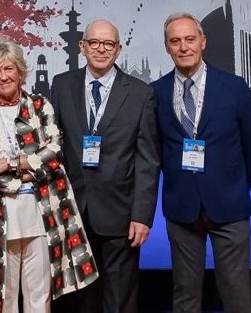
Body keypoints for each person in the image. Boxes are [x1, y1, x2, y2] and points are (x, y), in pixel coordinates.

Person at [0, 36, 98, 313]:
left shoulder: (40, 106)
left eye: (9, 68)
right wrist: (31, 169)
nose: (4, 76)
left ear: (20, 72)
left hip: (41, 214)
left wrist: (6, 164)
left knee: (40, 299)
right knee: (3, 300)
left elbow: (54, 154)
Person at [150, 13, 251, 313]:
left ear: (203, 41)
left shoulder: (234, 87)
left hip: (230, 207)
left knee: (237, 297)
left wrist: (235, 185)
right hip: (181, 209)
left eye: (190, 39)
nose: (184, 47)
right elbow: (155, 150)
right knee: (185, 296)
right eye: (175, 41)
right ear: (167, 47)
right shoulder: (156, 92)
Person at [50, 19, 160, 313]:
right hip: (72, 211)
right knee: (79, 300)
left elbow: (148, 160)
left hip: (120, 214)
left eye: (108, 43)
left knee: (119, 299)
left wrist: (142, 216)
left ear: (118, 49)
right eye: (94, 43)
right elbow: (52, 147)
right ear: (82, 47)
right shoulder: (62, 85)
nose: (101, 49)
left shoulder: (140, 93)